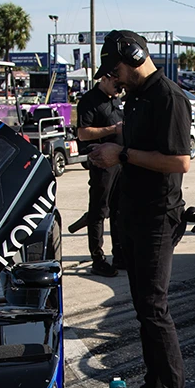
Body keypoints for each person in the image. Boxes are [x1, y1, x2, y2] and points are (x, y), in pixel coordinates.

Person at [88, 30, 194, 388]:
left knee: (154, 307)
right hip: (132, 213)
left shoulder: (169, 98)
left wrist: (123, 154)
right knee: (142, 308)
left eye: (115, 70)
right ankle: (154, 384)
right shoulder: (135, 97)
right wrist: (107, 154)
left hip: (156, 217)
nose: (112, 78)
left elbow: (179, 162)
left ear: (133, 57)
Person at [75, 72, 125, 277]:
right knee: (98, 210)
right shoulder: (89, 101)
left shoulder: (119, 99)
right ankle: (98, 258)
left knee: (119, 209)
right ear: (103, 79)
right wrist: (113, 129)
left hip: (122, 160)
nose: (119, 87)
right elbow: (83, 133)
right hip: (102, 161)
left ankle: (120, 255)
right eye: (115, 83)